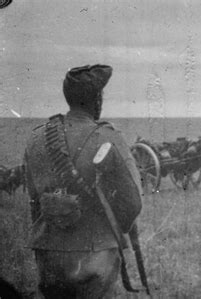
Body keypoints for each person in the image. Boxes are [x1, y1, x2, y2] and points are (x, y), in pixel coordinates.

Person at [24, 65, 143, 298]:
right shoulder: (109, 137)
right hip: (95, 254)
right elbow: (133, 202)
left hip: (48, 251)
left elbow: (33, 198)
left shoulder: (36, 138)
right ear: (96, 99)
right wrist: (116, 229)